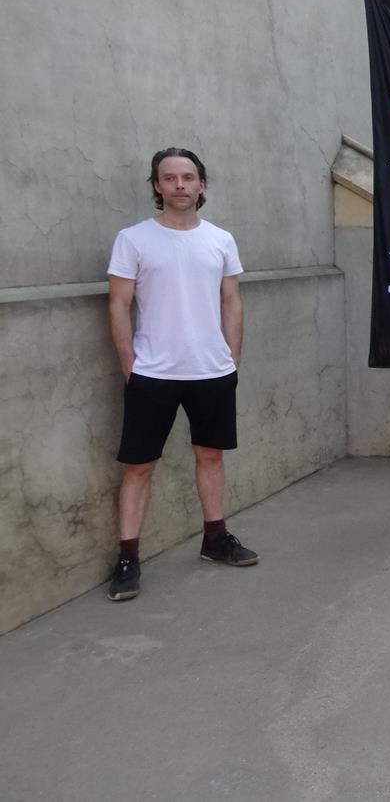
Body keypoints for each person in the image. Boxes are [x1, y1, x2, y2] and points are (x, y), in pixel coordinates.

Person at [106, 148, 256, 601]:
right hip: (153, 373)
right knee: (139, 466)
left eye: (188, 177)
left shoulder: (220, 239)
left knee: (210, 456)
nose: (179, 185)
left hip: (211, 370)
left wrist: (231, 358)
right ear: (156, 185)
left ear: (202, 184)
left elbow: (232, 301)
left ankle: (215, 539)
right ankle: (128, 558)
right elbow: (118, 304)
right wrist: (129, 365)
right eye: (169, 178)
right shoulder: (133, 239)